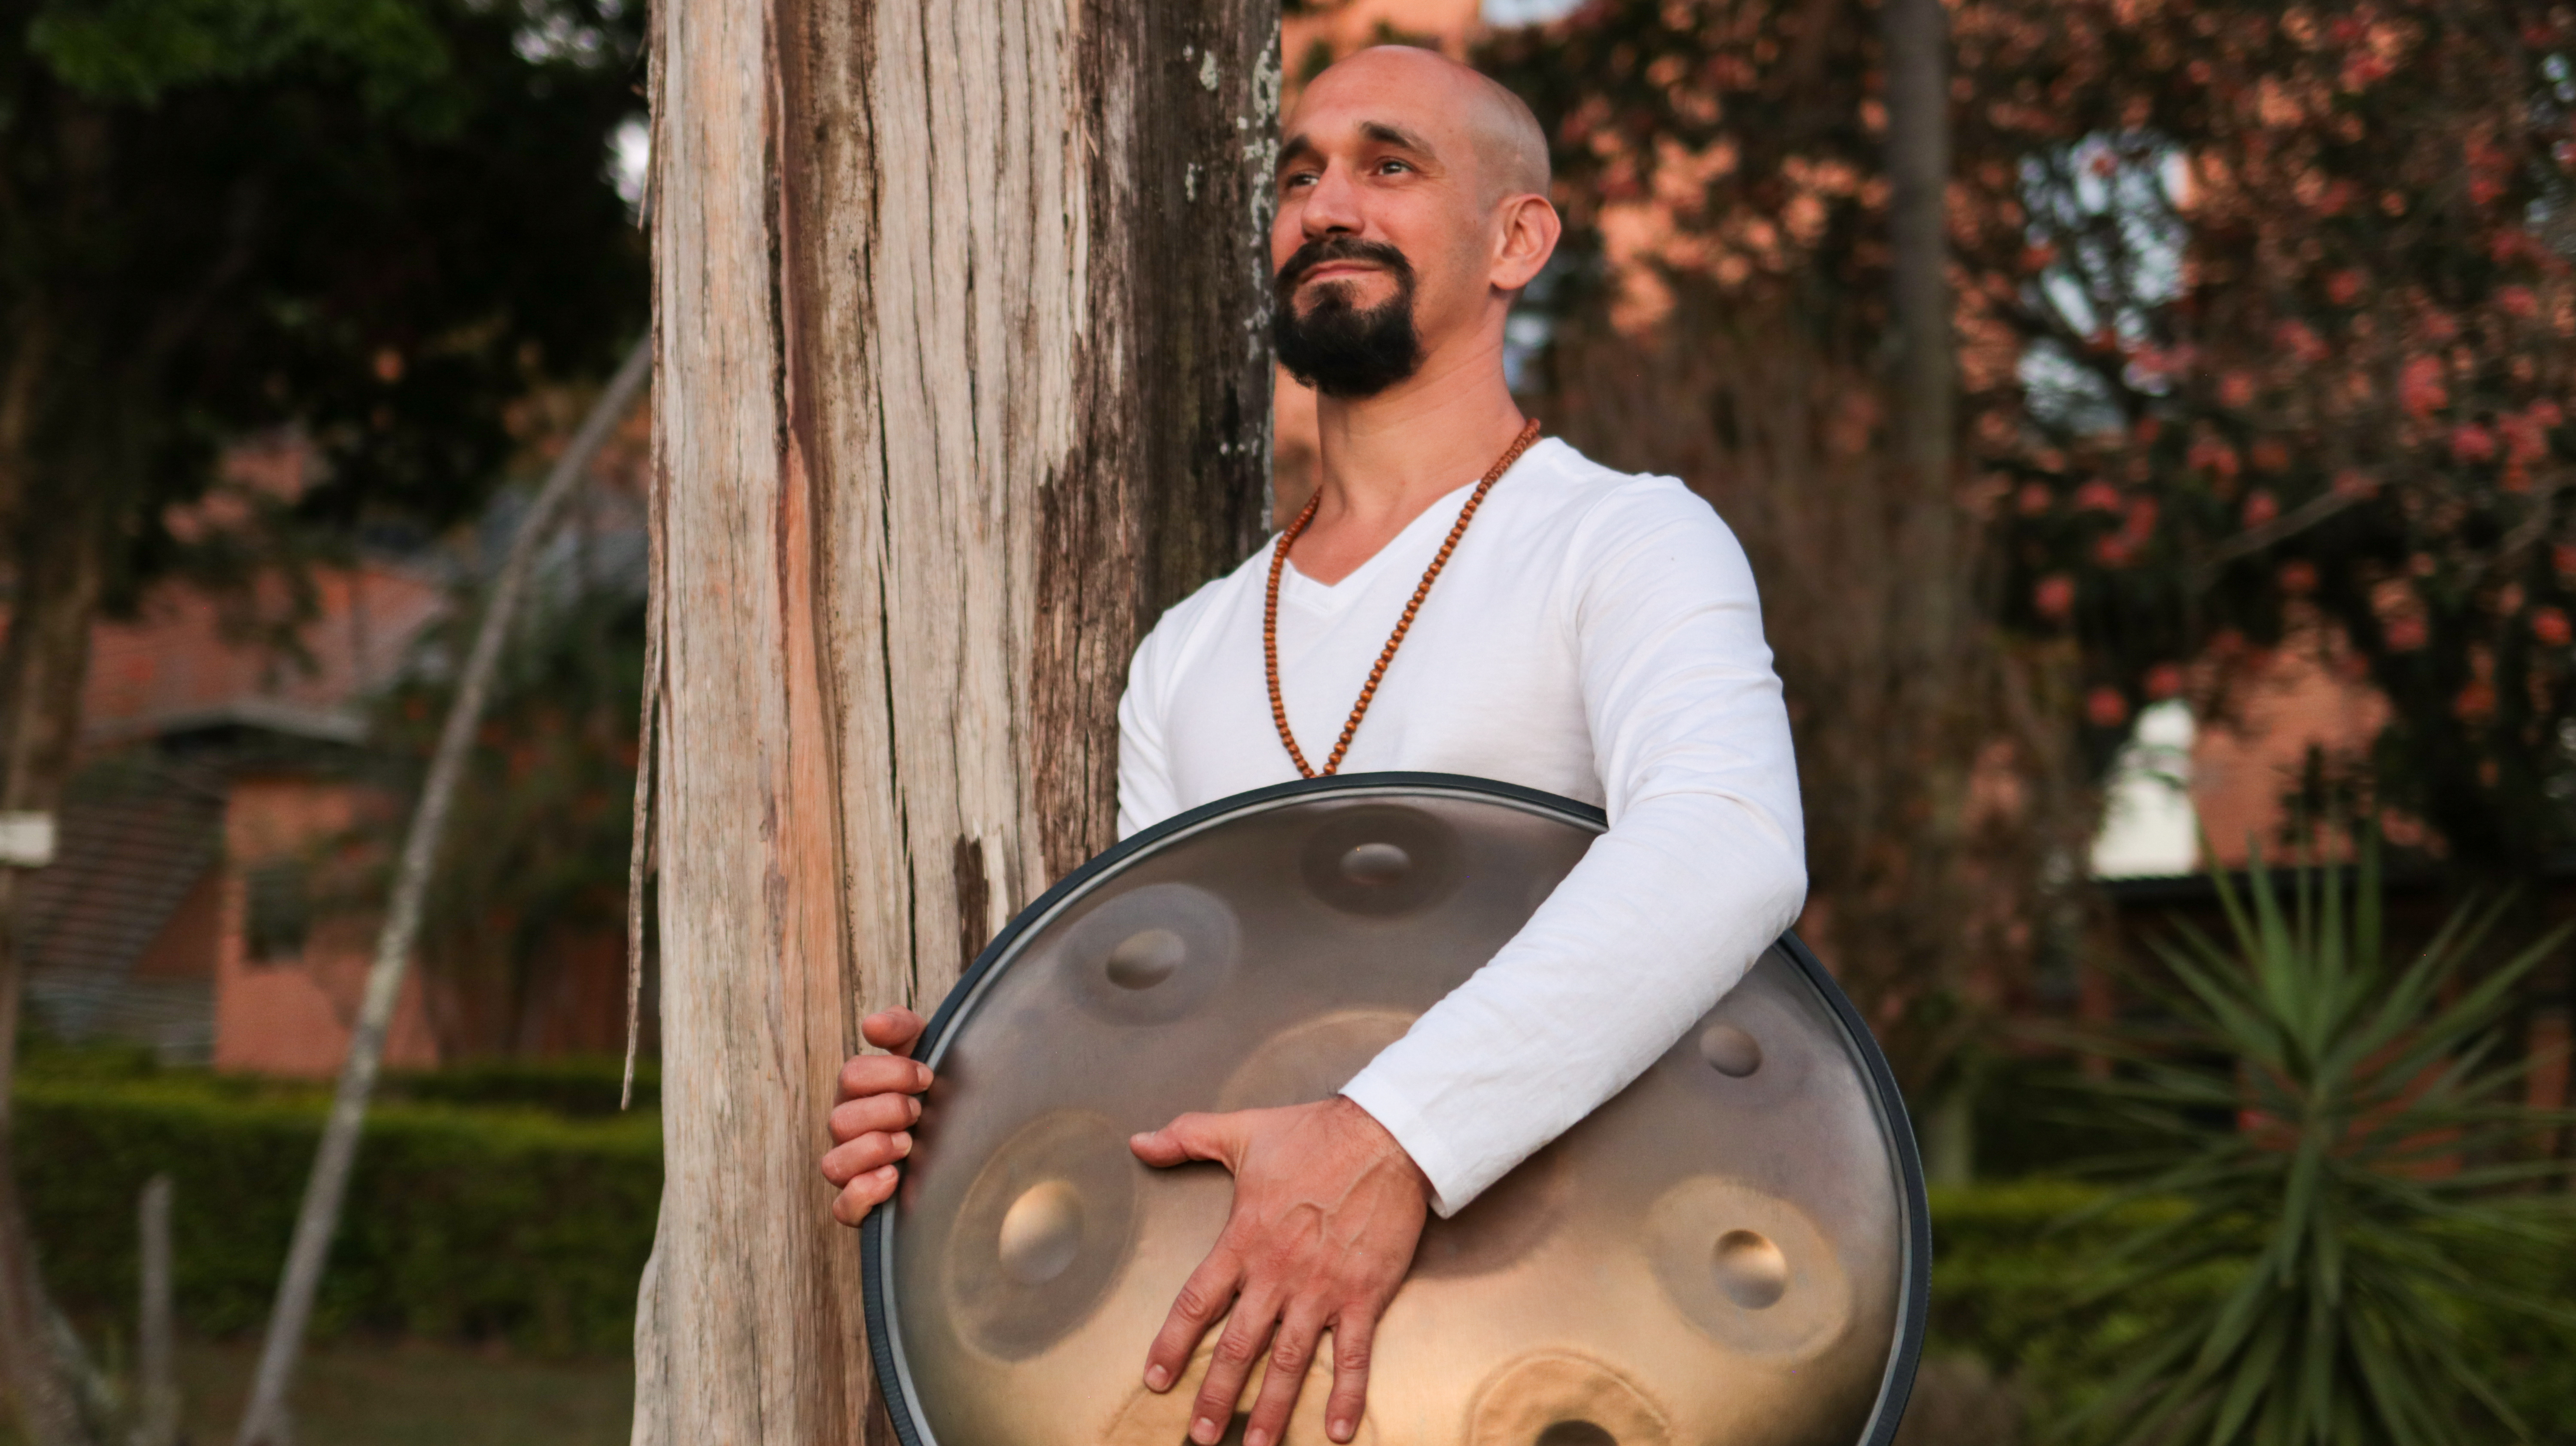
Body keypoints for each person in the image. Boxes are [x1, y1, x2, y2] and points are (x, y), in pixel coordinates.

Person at [819, 43, 1804, 1446]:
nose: (1326, 205)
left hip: (1556, 1350)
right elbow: (1167, 1050)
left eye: (1390, 166)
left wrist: (1389, 1134)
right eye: (1298, 175)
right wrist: (967, 1111)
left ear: (1518, 236)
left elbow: (1730, 845)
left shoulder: (1627, 541)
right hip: (1280, 1382)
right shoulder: (1191, 652)